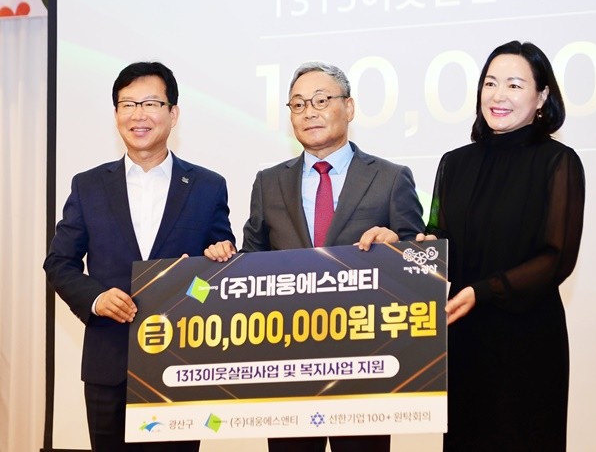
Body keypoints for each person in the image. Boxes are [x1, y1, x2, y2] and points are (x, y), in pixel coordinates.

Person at [205, 61, 425, 452]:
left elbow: (418, 258)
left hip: (366, 361)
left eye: (321, 100)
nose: (309, 112)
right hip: (288, 363)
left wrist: (397, 245)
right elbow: (253, 263)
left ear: (349, 107)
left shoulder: (391, 178)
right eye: (298, 104)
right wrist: (225, 258)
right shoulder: (268, 182)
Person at [44, 61, 235, 452]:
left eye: (150, 103)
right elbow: (59, 262)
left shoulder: (207, 186)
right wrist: (96, 298)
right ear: (116, 114)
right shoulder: (88, 186)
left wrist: (221, 257)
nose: (138, 114)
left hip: (181, 363)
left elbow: (220, 265)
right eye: (127, 104)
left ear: (173, 113)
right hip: (108, 362)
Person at [421, 41, 585, 451]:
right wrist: (409, 246)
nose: (498, 95)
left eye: (514, 85)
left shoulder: (558, 162)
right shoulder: (453, 163)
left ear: (542, 96)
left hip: (528, 340)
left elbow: (556, 258)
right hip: (463, 338)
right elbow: (436, 231)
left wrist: (484, 290)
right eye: (490, 83)